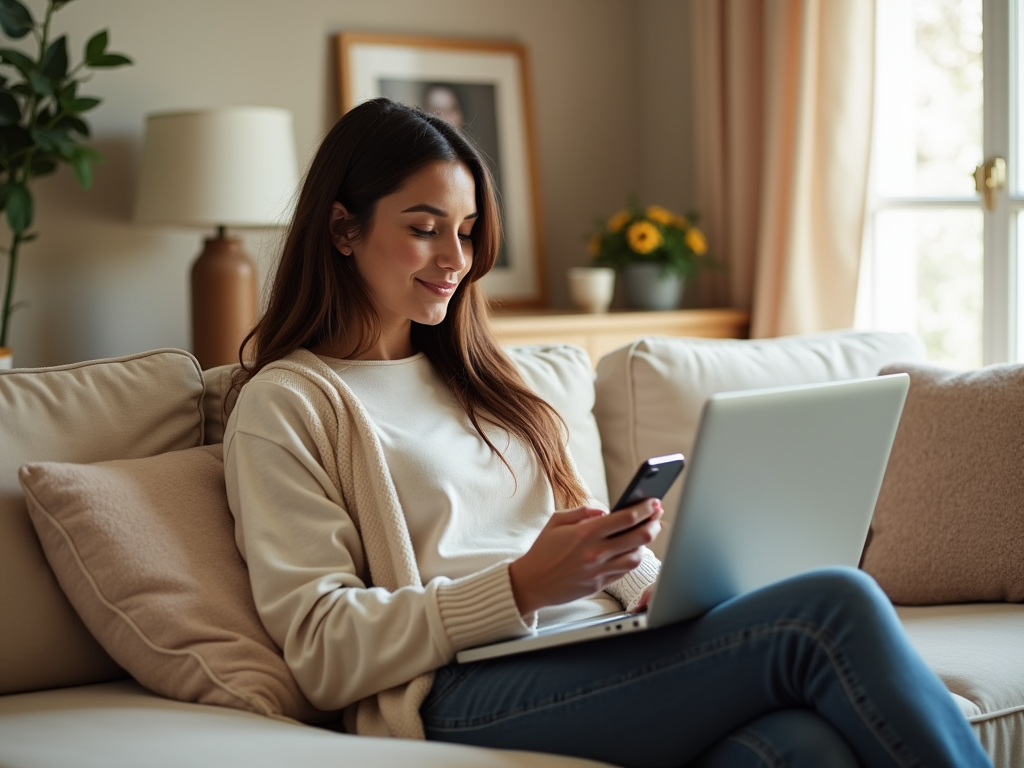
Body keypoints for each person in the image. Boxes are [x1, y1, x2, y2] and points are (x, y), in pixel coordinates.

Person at [222, 97, 991, 768]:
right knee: (835, 605)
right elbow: (322, 648)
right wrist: (520, 586)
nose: (456, 260)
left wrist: (656, 579)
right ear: (343, 229)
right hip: (457, 687)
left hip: (593, 640)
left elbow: (585, 539)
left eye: (466, 230)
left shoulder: (484, 378)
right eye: (424, 229)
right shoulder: (289, 405)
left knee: (799, 748)